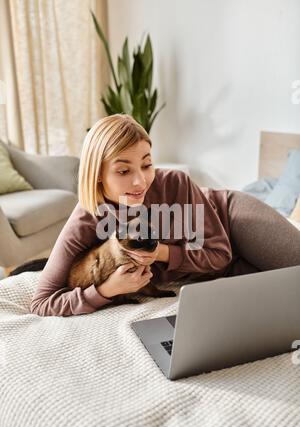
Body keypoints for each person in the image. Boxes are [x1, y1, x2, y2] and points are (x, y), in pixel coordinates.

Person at [30, 114, 300, 317]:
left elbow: (219, 254)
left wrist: (160, 253)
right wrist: (106, 290)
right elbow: (42, 302)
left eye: (147, 164)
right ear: (98, 174)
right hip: (214, 272)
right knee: (286, 297)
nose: (140, 182)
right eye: (124, 171)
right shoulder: (87, 218)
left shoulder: (175, 183)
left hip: (231, 218)